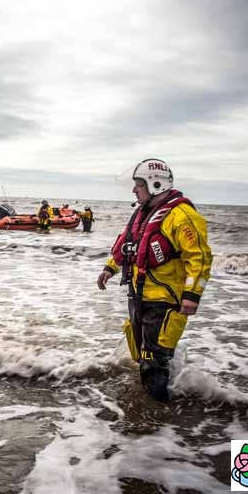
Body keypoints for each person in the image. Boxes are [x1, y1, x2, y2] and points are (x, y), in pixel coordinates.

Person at [96, 159, 212, 402]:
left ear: (155, 184)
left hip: (163, 301)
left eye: (138, 184)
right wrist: (110, 269)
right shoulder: (143, 214)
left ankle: (158, 410)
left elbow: (199, 258)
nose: (134, 190)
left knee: (153, 358)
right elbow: (129, 248)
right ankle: (151, 400)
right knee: (141, 353)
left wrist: (191, 296)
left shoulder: (182, 217)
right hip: (139, 296)